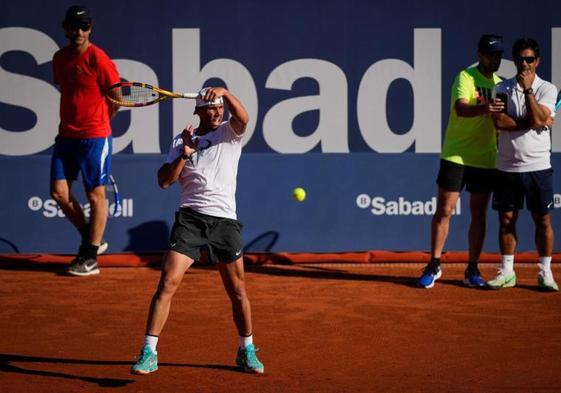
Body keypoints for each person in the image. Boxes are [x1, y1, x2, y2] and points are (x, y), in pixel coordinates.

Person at [131, 87, 264, 375]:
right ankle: (149, 352)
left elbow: (244, 116)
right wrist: (184, 153)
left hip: (225, 222)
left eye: (219, 108)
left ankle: (247, 349)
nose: (217, 113)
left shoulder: (230, 132)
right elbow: (164, 181)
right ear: (198, 111)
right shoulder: (181, 139)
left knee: (238, 291)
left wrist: (226, 92)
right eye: (211, 108)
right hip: (190, 220)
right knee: (167, 283)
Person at [418, 34, 505, 288]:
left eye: (498, 55)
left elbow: (502, 125)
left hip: (485, 157)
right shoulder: (466, 77)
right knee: (444, 210)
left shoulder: (502, 84)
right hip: (456, 155)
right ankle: (434, 264)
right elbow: (461, 108)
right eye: (490, 55)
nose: (494, 59)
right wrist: (486, 107)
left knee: (479, 213)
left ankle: (472, 269)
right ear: (479, 56)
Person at [50, 5, 120, 276]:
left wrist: (101, 122)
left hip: (94, 136)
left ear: (90, 28)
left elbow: (116, 98)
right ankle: (92, 240)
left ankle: (89, 258)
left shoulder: (99, 59)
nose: (79, 31)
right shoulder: (59, 59)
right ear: (65, 28)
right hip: (66, 136)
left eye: (85, 26)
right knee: (58, 193)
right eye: (74, 26)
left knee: (95, 194)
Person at [488, 38, 558, 290]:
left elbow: (539, 117)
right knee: (506, 220)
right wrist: (535, 121)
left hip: (538, 165)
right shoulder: (502, 88)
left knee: (543, 221)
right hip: (507, 166)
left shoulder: (548, 89)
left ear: (537, 61)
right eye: (520, 59)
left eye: (529, 59)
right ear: (515, 61)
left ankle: (545, 272)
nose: (524, 64)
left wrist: (528, 91)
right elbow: (499, 123)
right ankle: (507, 271)